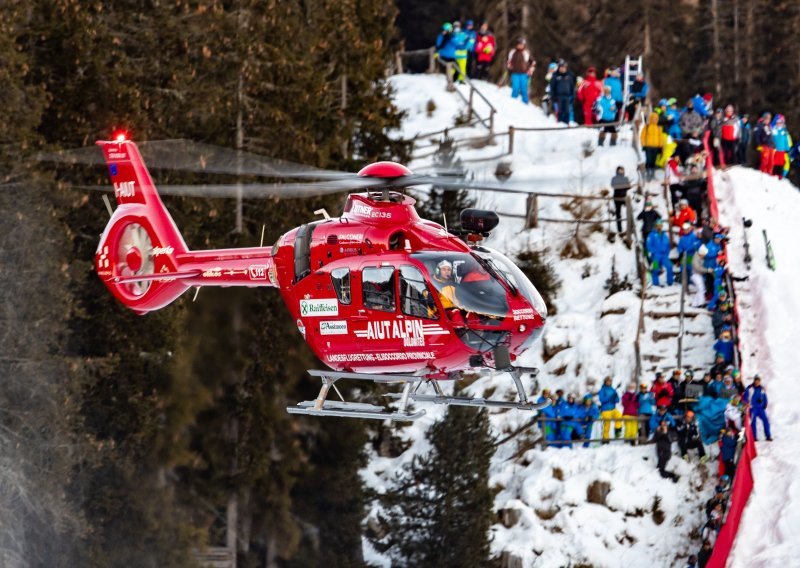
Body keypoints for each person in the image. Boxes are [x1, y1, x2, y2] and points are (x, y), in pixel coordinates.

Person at [744, 375, 772, 441]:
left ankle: (768, 436)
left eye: (758, 381)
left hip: (760, 408)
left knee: (766, 421)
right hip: (753, 408)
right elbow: (745, 398)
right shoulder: (750, 388)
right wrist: (747, 404)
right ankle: (754, 437)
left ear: (760, 381)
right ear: (754, 381)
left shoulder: (762, 388)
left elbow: (765, 397)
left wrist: (765, 404)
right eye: (756, 381)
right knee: (753, 422)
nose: (757, 382)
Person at [507, 38, 534, 104]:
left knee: (524, 88)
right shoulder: (512, 52)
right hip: (515, 73)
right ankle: (513, 101)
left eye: (522, 45)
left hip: (524, 73)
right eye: (519, 44)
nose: (520, 46)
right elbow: (509, 61)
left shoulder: (526, 52)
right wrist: (509, 66)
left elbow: (532, 62)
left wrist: (531, 70)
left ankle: (525, 102)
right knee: (515, 87)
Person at [646, 220, 674, 286]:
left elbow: (668, 245)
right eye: (658, 226)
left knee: (669, 266)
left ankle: (670, 282)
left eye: (660, 226)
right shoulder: (651, 235)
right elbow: (648, 245)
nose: (659, 227)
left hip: (664, 256)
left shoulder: (664, 235)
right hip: (656, 256)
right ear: (655, 226)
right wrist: (654, 252)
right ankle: (655, 283)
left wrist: (667, 253)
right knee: (655, 268)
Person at [550, 59, 576, 124]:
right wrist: (553, 96)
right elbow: (552, 87)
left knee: (567, 111)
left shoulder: (569, 75)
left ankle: (567, 123)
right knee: (560, 111)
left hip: (567, 96)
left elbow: (572, 86)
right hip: (559, 96)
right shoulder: (555, 76)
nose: (562, 69)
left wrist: (573, 95)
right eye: (561, 67)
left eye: (564, 68)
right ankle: (560, 123)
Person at [640, 112, 664, 181]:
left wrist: (660, 146)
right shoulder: (647, 127)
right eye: (653, 119)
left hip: (656, 147)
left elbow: (660, 138)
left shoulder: (659, 128)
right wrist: (643, 144)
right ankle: (647, 174)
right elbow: (642, 136)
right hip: (648, 146)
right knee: (649, 161)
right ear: (651, 119)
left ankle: (652, 174)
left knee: (653, 162)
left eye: (656, 119)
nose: (654, 120)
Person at [435, 23, 458, 90]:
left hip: (452, 56)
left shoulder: (453, 36)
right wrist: (445, 38)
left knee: (457, 69)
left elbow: (457, 44)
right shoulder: (441, 36)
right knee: (447, 69)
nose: (443, 31)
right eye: (443, 30)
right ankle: (449, 83)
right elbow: (438, 46)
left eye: (445, 30)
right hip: (444, 56)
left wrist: (451, 37)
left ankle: (452, 82)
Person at [610, 166, 632, 233]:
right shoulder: (614, 178)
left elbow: (628, 186)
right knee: (618, 214)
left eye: (622, 170)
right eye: (619, 170)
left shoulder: (625, 178)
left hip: (624, 198)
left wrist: (625, 186)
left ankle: (630, 226)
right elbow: (613, 185)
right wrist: (624, 186)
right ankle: (619, 229)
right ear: (617, 171)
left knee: (629, 211)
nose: (621, 172)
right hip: (617, 197)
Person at [771, 114, 792, 179]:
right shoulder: (774, 130)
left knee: (780, 163)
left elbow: (787, 141)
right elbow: (771, 139)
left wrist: (787, 148)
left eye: (781, 122)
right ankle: (772, 174)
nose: (780, 124)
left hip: (782, 151)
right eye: (778, 122)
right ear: (776, 123)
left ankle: (779, 175)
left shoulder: (784, 131)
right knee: (774, 162)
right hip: (775, 150)